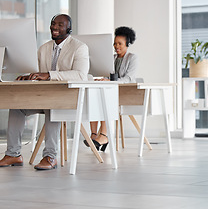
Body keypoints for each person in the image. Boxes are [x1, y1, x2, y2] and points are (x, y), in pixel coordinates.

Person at [0, 14, 89, 170]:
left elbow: (81, 75)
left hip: (67, 98)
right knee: (17, 106)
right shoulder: (44, 48)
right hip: (45, 96)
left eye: (60, 25)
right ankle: (13, 154)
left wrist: (49, 74)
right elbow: (39, 73)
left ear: (69, 28)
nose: (54, 27)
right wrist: (30, 76)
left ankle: (50, 156)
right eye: (53, 24)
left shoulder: (79, 47)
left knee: (51, 106)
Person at [86, 26, 138, 151]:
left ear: (127, 43)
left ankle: (104, 135)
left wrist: (111, 81)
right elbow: (107, 74)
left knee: (105, 99)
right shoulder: (112, 58)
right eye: (114, 43)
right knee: (95, 98)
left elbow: (129, 79)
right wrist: (102, 79)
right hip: (111, 91)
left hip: (124, 92)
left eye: (120, 43)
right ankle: (94, 134)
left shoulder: (132, 58)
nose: (116, 46)